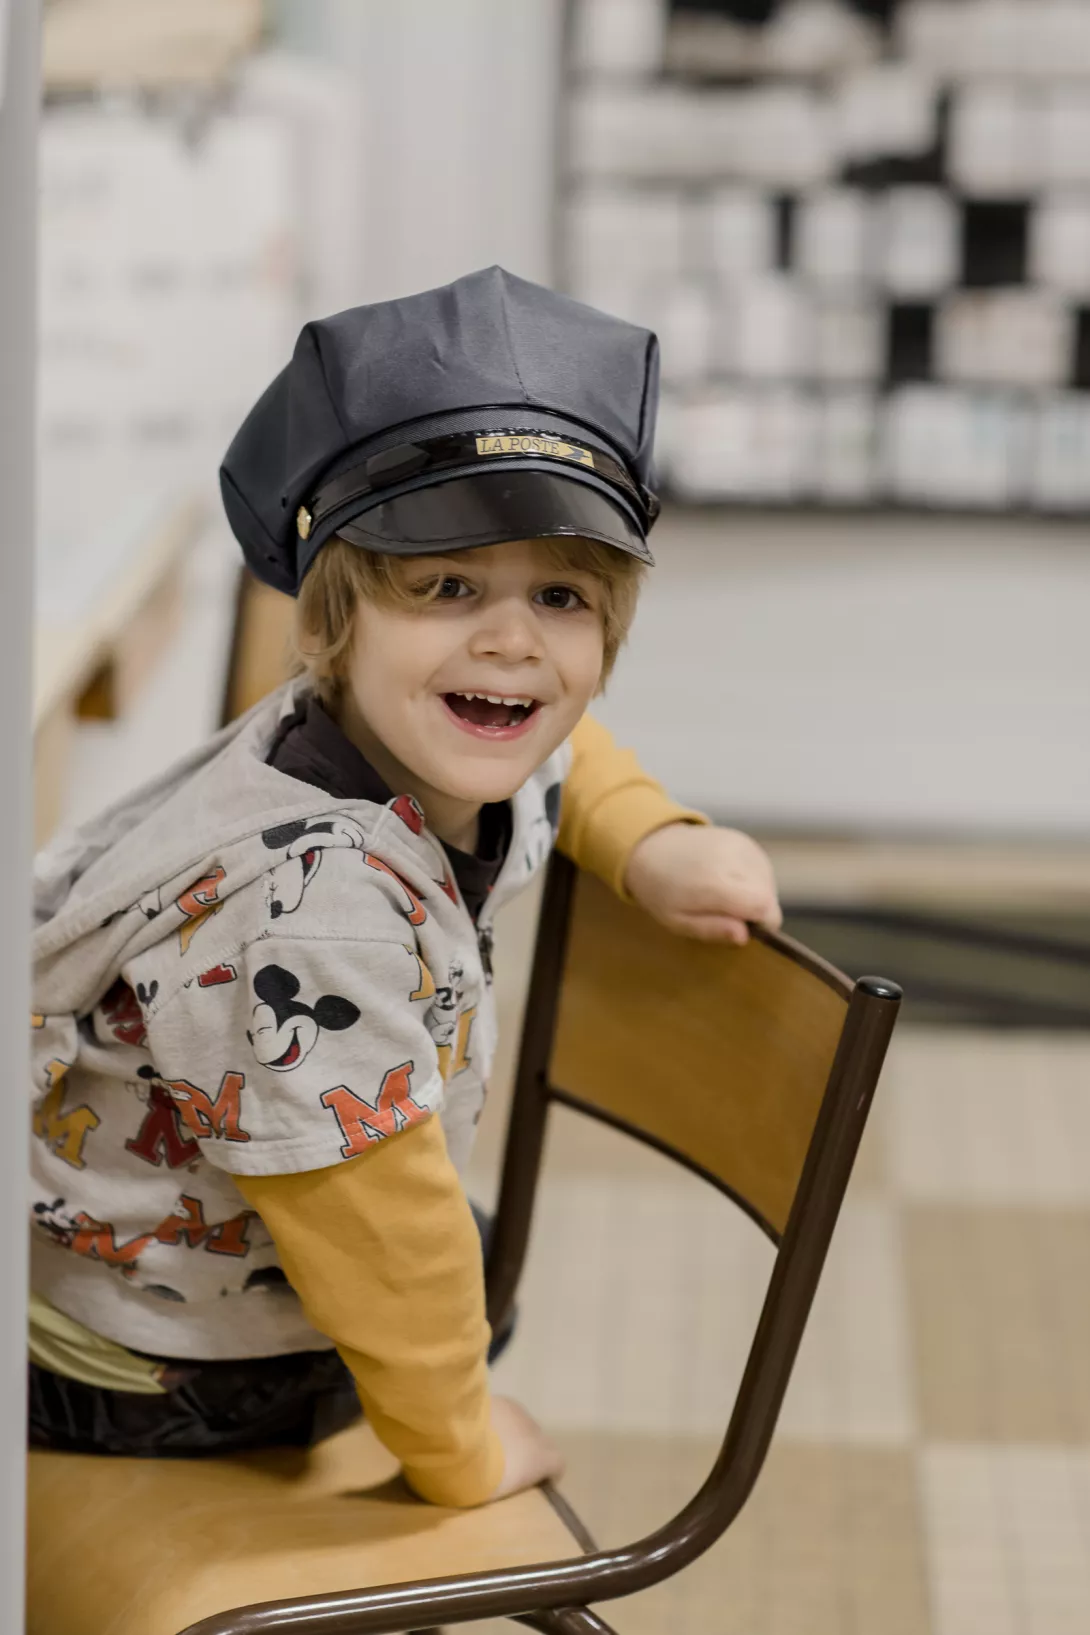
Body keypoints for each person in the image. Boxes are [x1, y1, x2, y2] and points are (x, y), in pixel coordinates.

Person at [29, 267, 781, 1506]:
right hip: (136, 1357)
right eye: (446, 587)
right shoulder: (312, 916)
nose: (511, 642)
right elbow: (376, 1236)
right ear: (331, 627)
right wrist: (459, 1449)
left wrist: (648, 839)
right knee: (443, 1268)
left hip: (185, 1244)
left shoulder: (407, 733)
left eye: (560, 597)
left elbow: (566, 754)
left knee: (460, 1262)